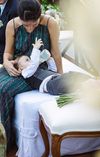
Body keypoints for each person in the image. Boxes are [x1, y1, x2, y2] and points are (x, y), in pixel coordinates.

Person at [0, 0, 62, 149]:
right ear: (19, 18)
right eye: (25, 24)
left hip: (36, 69)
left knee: (4, 90)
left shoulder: (50, 24)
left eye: (33, 24)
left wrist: (60, 75)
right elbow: (8, 52)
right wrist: (7, 63)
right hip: (16, 64)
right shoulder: (12, 25)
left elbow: (55, 52)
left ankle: (6, 142)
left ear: (39, 17)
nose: (29, 28)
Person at [17, 38, 90, 95]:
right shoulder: (25, 73)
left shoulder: (39, 68)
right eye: (27, 60)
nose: (30, 60)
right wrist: (35, 49)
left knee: (73, 76)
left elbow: (53, 70)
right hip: (51, 85)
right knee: (70, 77)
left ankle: (93, 81)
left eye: (29, 59)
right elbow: (33, 64)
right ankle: (89, 82)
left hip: (57, 80)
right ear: (20, 69)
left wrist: (49, 59)